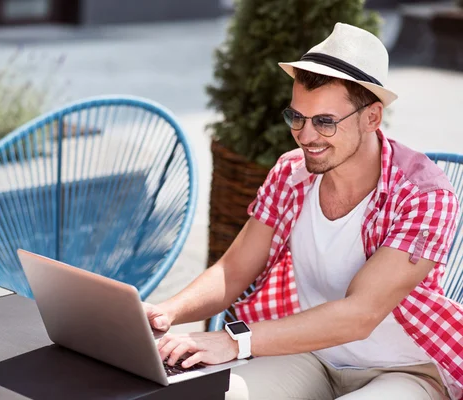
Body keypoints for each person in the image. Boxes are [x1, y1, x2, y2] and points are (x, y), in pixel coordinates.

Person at [143, 23, 463, 400]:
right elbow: (233, 270)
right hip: (309, 354)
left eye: (325, 121)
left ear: (372, 118)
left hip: (403, 369)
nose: (306, 135)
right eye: (297, 117)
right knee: (217, 396)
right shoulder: (291, 174)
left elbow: (360, 314)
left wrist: (234, 341)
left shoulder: (422, 195)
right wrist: (163, 313)